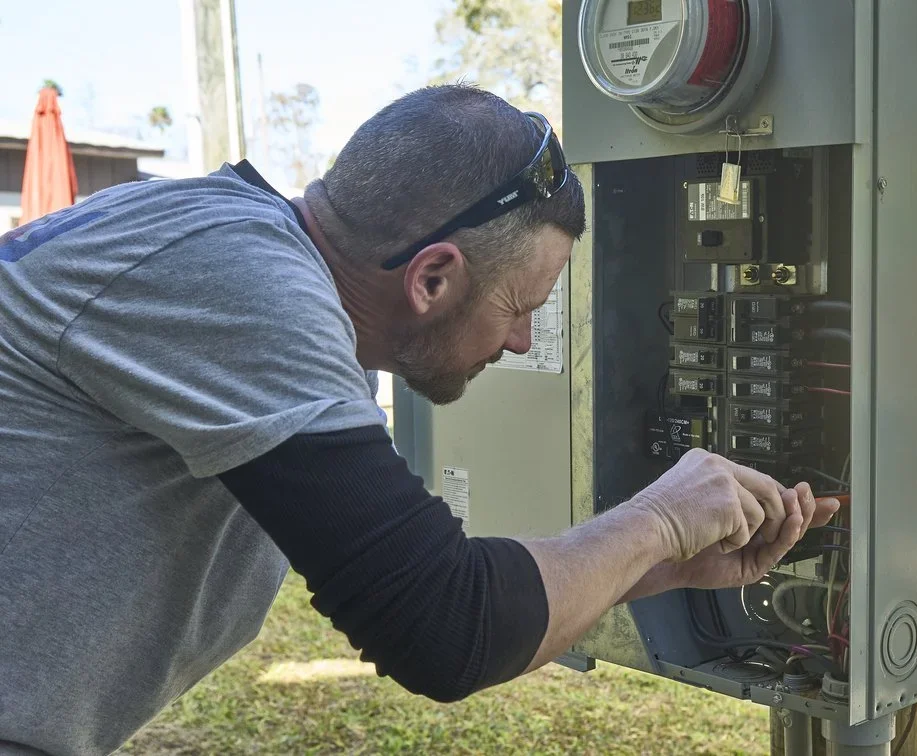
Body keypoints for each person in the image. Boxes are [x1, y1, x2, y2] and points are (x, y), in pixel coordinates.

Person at [0, 84, 838, 755]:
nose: (519, 343)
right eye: (522, 308)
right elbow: (442, 628)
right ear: (433, 277)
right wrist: (658, 519)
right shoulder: (247, 288)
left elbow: (398, 587)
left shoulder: (240, 251)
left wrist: (660, 565)